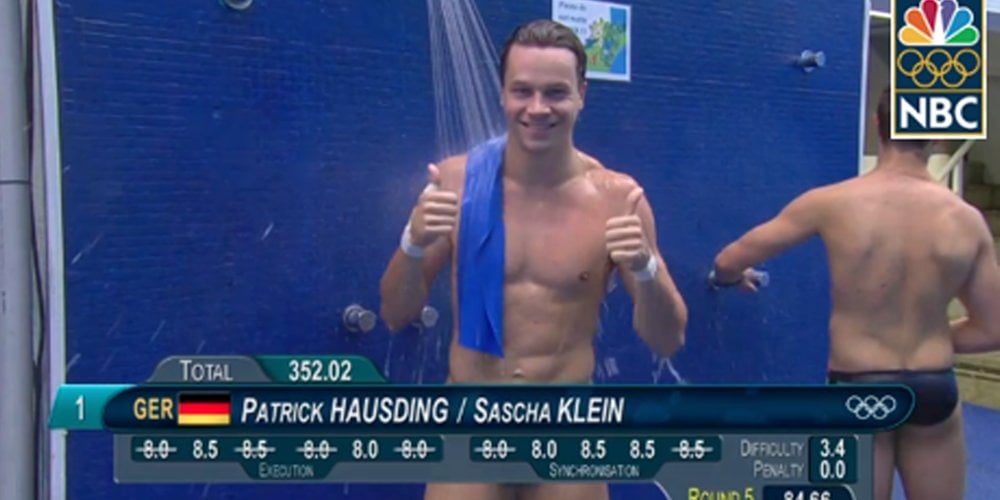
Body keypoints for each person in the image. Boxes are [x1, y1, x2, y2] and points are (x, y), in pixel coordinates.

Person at [379, 19, 688, 500]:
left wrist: (647, 269)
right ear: (503, 94)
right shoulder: (458, 185)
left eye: (555, 93)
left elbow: (667, 339)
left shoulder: (617, 199)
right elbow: (395, 314)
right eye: (522, 91)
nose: (537, 108)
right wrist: (413, 243)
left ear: (582, 94)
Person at [710, 87, 1000, 500]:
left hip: (859, 387)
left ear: (877, 125)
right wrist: (928, 334)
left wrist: (730, 278)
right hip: (932, 386)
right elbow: (993, 329)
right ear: (937, 136)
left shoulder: (831, 203)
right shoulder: (966, 219)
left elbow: (728, 261)